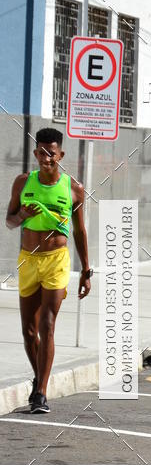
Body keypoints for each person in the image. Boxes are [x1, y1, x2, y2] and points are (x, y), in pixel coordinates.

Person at [5, 128, 92, 413]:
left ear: (61, 155)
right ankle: (38, 376)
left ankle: (40, 392)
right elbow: (9, 222)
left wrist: (86, 270)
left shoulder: (73, 188)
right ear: (35, 153)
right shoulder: (22, 182)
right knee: (29, 331)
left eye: (51, 153)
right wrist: (22, 216)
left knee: (48, 324)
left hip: (57, 260)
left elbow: (79, 231)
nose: (46, 158)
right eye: (41, 153)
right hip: (28, 260)